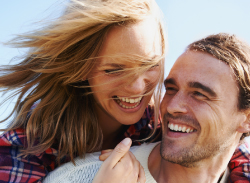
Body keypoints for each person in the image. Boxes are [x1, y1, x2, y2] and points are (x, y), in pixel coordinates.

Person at [43, 33, 250, 183]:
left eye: (199, 94)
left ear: (246, 119)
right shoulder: (83, 177)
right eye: (170, 89)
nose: (172, 106)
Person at [0, 0, 166, 182]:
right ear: (80, 67)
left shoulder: (161, 125)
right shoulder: (27, 146)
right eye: (114, 70)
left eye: (150, 64)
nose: (137, 87)